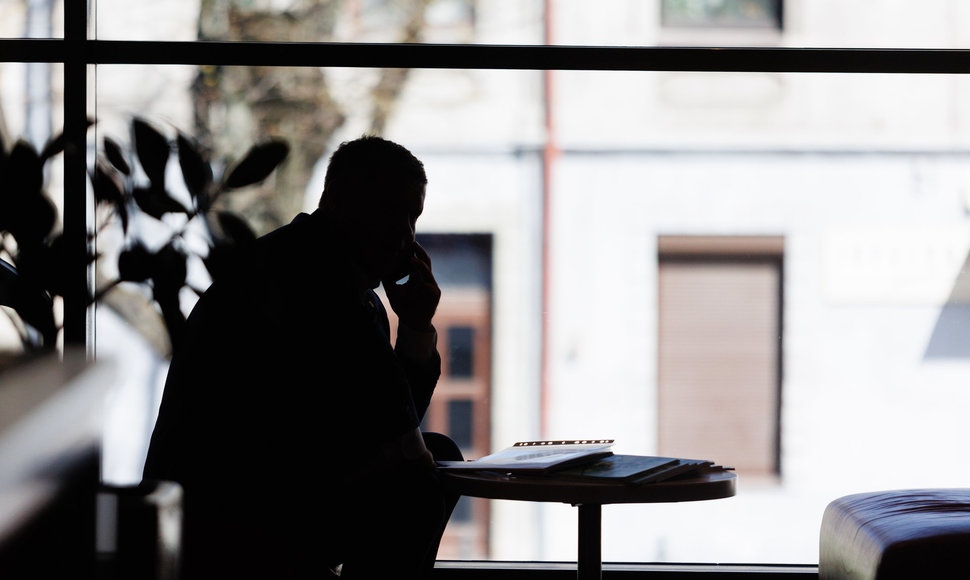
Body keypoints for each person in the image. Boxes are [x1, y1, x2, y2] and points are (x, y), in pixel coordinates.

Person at [143, 135, 462, 579]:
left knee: (432, 461)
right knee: (419, 488)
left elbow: (390, 421)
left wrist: (414, 325)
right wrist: (415, 327)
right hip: (237, 519)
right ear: (341, 203)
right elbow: (402, 440)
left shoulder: (296, 259)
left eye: (413, 217)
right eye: (391, 211)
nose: (406, 235)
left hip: (221, 506)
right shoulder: (325, 285)